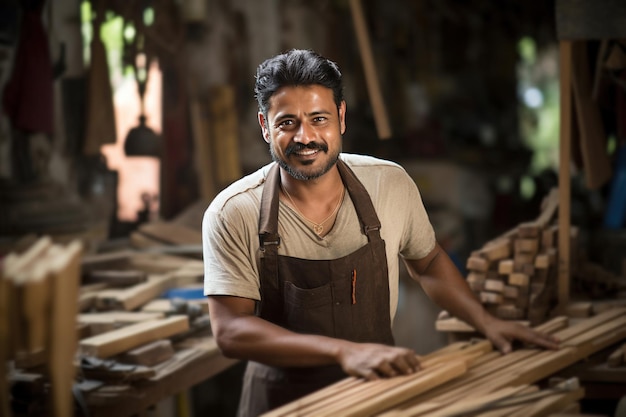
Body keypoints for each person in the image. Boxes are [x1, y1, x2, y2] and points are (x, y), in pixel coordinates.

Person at [202, 48, 559, 417]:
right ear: (264, 126)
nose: (305, 136)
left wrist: (486, 321)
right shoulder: (234, 212)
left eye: (318, 118)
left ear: (341, 118)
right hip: (284, 401)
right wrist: (343, 350)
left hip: (377, 395)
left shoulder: (389, 184)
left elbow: (429, 261)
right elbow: (230, 330)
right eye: (287, 123)